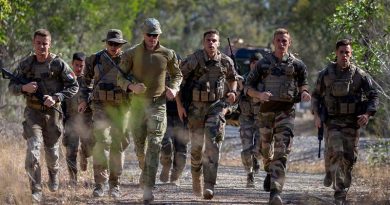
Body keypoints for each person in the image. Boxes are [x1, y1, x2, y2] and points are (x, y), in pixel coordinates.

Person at [8, 29, 78, 202]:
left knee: (52, 153)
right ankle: (36, 190)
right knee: (33, 152)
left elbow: (73, 86)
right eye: (38, 43)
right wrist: (24, 88)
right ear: (34, 43)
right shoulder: (26, 64)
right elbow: (11, 86)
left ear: (50, 44)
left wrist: (56, 98)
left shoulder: (58, 64)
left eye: (45, 43)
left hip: (53, 115)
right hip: (32, 113)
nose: (41, 47)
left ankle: (53, 174)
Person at [118, 18, 182, 203]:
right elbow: (119, 78)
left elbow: (177, 74)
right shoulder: (131, 54)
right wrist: (130, 86)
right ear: (143, 35)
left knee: (154, 143)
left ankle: (148, 188)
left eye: (155, 35)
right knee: (139, 148)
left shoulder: (168, 54)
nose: (152, 38)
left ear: (159, 35)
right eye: (149, 35)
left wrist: (174, 88)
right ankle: (145, 170)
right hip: (137, 104)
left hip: (158, 104)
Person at [244, 28, 311, 204]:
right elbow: (247, 87)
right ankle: (268, 170)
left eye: (285, 41)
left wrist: (304, 93)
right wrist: (259, 95)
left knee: (282, 152)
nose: (282, 44)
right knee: (266, 151)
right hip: (266, 112)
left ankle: (275, 191)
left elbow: (304, 83)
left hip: (286, 112)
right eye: (279, 40)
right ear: (274, 42)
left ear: (289, 43)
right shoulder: (263, 64)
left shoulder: (297, 65)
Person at [311, 39, 378, 205]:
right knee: (337, 151)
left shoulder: (360, 75)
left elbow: (373, 95)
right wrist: (317, 116)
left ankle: (337, 181)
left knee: (349, 157)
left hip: (352, 122)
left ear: (351, 53)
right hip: (332, 121)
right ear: (336, 53)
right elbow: (315, 96)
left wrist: (367, 114)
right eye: (341, 52)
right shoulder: (326, 74)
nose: (344, 55)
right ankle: (339, 194)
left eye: (347, 52)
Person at [178, 29, 239, 200]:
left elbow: (233, 78)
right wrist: (180, 106)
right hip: (195, 109)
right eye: (208, 40)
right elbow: (177, 81)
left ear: (218, 43)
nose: (211, 43)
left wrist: (233, 92)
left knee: (212, 146)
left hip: (216, 107)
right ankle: (196, 177)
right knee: (197, 149)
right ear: (203, 42)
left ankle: (209, 185)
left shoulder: (225, 61)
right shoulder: (194, 59)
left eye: (214, 40)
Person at [79, 29, 131, 198]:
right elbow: (85, 82)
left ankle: (114, 184)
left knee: (118, 144)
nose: (114, 47)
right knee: (102, 141)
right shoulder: (94, 59)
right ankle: (100, 184)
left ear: (121, 45)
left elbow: (136, 84)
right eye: (111, 43)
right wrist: (83, 99)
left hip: (121, 108)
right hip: (100, 106)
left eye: (117, 44)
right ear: (106, 43)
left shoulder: (128, 60)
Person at [62, 52, 94, 185]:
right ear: (72, 64)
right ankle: (73, 179)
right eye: (76, 65)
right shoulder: (65, 81)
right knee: (71, 151)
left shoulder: (89, 81)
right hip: (71, 120)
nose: (79, 68)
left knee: (89, 148)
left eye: (82, 66)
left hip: (86, 121)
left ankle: (84, 154)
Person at [159, 56, 190, 186]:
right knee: (165, 145)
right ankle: (166, 166)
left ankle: (176, 175)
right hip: (164, 114)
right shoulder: (160, 77)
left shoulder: (186, 77)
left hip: (181, 117)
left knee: (181, 149)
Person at [237, 53, 262, 188]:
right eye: (253, 62)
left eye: (257, 62)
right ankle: (249, 174)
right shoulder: (243, 79)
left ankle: (256, 160)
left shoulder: (265, 79)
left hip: (261, 119)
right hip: (246, 118)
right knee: (246, 149)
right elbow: (236, 97)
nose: (254, 65)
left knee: (259, 149)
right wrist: (239, 88)